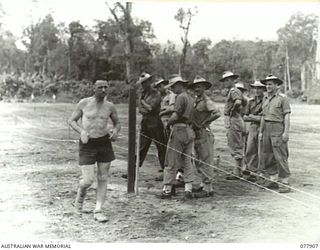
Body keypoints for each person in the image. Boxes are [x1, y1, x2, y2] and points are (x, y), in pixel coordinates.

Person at [68, 80, 121, 222]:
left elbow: (117, 123)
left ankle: (98, 210)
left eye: (106, 87)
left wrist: (115, 132)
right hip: (87, 144)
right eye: (100, 87)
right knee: (87, 180)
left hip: (104, 142)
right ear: (94, 88)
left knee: (103, 177)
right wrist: (82, 131)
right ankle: (78, 201)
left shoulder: (110, 106)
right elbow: (72, 120)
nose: (103, 90)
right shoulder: (84, 103)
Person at [160, 76, 196, 199]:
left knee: (171, 159)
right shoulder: (191, 97)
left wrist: (167, 124)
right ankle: (188, 189)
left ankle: (167, 190)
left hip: (179, 128)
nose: (173, 89)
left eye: (174, 86)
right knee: (187, 160)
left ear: (180, 85)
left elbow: (175, 116)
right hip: (189, 130)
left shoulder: (180, 97)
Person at [189, 76, 221, 198]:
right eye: (195, 86)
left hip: (204, 133)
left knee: (206, 159)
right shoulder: (196, 100)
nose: (197, 88)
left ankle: (208, 188)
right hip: (196, 133)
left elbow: (217, 113)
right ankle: (203, 184)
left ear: (204, 88)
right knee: (198, 159)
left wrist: (205, 122)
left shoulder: (207, 101)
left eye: (199, 86)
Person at [259, 74, 291, 193]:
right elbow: (263, 116)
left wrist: (286, 132)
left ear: (277, 85)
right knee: (267, 154)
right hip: (266, 127)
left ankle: (285, 181)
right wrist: (261, 132)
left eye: (270, 84)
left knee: (280, 155)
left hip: (278, 127)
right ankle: (273, 179)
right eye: (267, 84)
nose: (268, 86)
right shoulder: (265, 98)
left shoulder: (283, 98)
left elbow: (287, 116)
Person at [220, 71, 247, 180]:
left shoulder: (234, 90)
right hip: (234, 119)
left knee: (235, 144)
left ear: (232, 80)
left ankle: (237, 171)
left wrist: (232, 111)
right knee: (235, 143)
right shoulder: (232, 91)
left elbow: (238, 102)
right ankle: (238, 170)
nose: (225, 82)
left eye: (227, 80)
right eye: (224, 80)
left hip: (234, 119)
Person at [137, 72, 166, 172]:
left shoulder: (156, 93)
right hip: (145, 121)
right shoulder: (143, 94)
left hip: (155, 122)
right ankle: (133, 171)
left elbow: (151, 108)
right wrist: (143, 104)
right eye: (142, 83)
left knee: (161, 147)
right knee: (141, 147)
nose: (144, 85)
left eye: (146, 82)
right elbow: (140, 110)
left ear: (150, 82)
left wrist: (142, 102)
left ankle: (166, 172)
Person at [243, 81, 266, 182]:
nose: (257, 90)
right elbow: (244, 116)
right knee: (250, 149)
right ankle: (252, 171)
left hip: (263, 127)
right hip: (252, 127)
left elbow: (265, 118)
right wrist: (255, 118)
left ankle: (262, 172)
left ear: (263, 89)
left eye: (259, 88)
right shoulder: (250, 101)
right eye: (255, 88)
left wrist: (252, 117)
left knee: (262, 150)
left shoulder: (266, 101)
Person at [154, 77, 176, 144]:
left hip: (167, 121)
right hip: (160, 121)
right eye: (157, 87)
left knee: (168, 141)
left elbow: (172, 108)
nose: (159, 89)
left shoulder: (171, 95)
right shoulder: (159, 97)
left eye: (160, 86)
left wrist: (161, 113)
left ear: (165, 85)